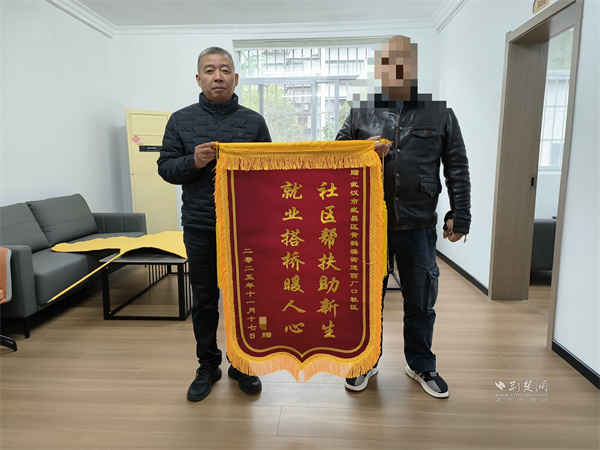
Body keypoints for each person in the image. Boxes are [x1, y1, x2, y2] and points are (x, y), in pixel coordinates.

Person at [336, 35, 471, 398]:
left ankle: (421, 364)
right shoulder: (360, 113)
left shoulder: (439, 113)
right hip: (369, 226)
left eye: (402, 62)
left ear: (413, 66)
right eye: (387, 63)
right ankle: (366, 360)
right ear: (379, 69)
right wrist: (365, 151)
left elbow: (457, 167)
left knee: (421, 298)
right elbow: (335, 158)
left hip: (419, 224)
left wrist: (461, 214)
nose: (395, 69)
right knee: (367, 298)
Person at [158, 47, 272, 402]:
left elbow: (269, 173)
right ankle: (208, 364)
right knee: (205, 298)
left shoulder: (254, 122)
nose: (217, 76)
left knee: (245, 297)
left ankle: (242, 363)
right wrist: (192, 161)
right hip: (200, 226)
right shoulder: (180, 120)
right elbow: (165, 168)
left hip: (245, 229)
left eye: (224, 70)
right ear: (199, 79)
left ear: (235, 78)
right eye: (210, 70)